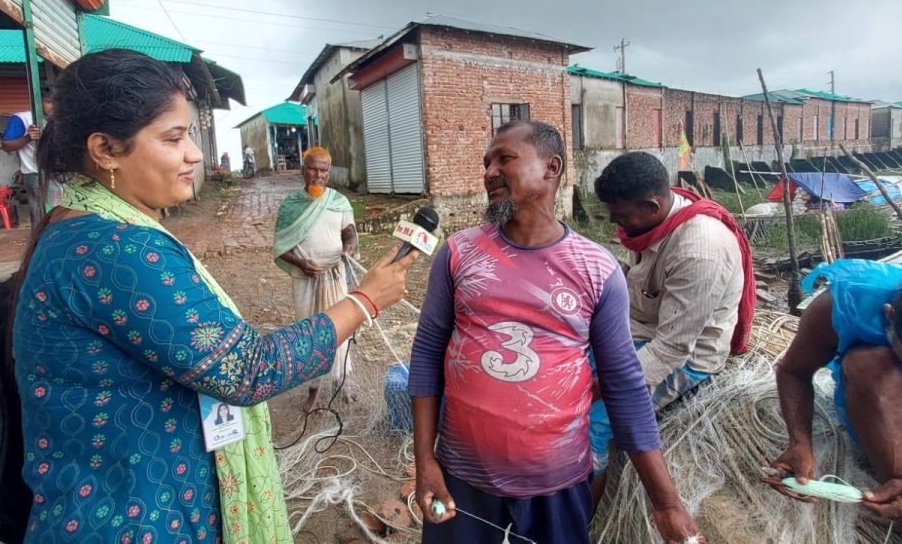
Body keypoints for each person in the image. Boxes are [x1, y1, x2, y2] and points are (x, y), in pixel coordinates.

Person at [11, 49, 417, 543]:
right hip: (131, 518)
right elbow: (248, 368)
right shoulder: (113, 249)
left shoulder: (85, 228)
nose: (196, 154)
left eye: (190, 135)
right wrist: (365, 300)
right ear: (105, 149)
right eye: (174, 138)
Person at [409, 120, 701, 543]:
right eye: (486, 162)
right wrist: (425, 461)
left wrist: (667, 502)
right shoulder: (458, 254)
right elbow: (426, 357)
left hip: (558, 481)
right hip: (462, 477)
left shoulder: (596, 269)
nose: (489, 171)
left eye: (504, 158)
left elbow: (624, 385)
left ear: (551, 167)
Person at [767, 259, 902, 544]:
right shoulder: (851, 303)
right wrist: (799, 442)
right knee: (867, 365)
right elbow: (794, 371)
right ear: (889, 317)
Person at [587, 151, 755, 503]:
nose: (614, 222)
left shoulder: (699, 250)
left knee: (588, 425)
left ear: (652, 205)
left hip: (683, 355)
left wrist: (604, 386)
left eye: (621, 215)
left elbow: (672, 348)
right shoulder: (652, 222)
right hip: (639, 329)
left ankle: (581, 522)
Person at [273, 147, 359, 411]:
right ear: (303, 170)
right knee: (308, 333)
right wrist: (300, 262)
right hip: (305, 279)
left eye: (323, 170)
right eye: (312, 168)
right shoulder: (290, 206)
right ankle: (314, 390)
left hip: (334, 276)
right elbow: (280, 247)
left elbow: (350, 234)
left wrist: (348, 250)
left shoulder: (339, 202)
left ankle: (341, 383)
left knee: (340, 330)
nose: (317, 175)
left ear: (329, 173)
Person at [1, 92, 54, 228]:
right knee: (42, 215)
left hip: (61, 173)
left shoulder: (60, 119)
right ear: (38, 101)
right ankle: (41, 243)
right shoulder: (23, 118)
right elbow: (6, 145)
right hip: (36, 173)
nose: (53, 106)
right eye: (48, 102)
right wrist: (29, 137)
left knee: (60, 214)